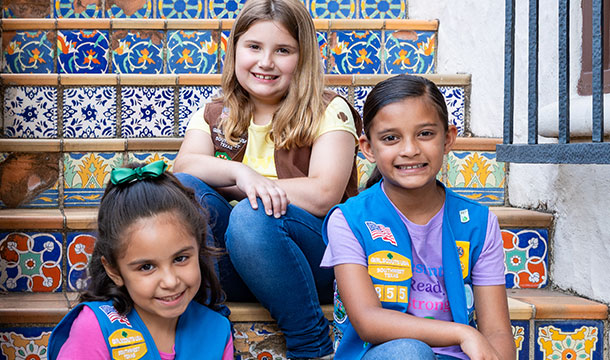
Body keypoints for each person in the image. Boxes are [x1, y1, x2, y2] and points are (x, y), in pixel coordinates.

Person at [172, 0, 361, 357]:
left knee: (252, 215)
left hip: (310, 264)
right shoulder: (215, 113)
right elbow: (183, 166)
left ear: (303, 57)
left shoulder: (328, 109)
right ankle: (212, 323)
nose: (266, 62)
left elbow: (323, 193)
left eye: (283, 50)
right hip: (233, 266)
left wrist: (245, 191)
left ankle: (311, 342)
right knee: (186, 192)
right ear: (235, 49)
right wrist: (241, 174)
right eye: (254, 46)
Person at [321, 75, 516, 360]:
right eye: (391, 138)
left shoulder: (478, 222)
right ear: (367, 148)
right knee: (410, 353)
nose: (410, 149)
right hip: (385, 354)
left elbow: (497, 331)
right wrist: (463, 333)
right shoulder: (350, 219)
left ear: (448, 138)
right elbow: (368, 321)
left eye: (425, 134)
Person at [47, 161, 233, 360]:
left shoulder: (216, 331)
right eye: (147, 267)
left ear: (199, 249)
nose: (170, 281)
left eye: (180, 258)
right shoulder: (96, 329)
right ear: (114, 272)